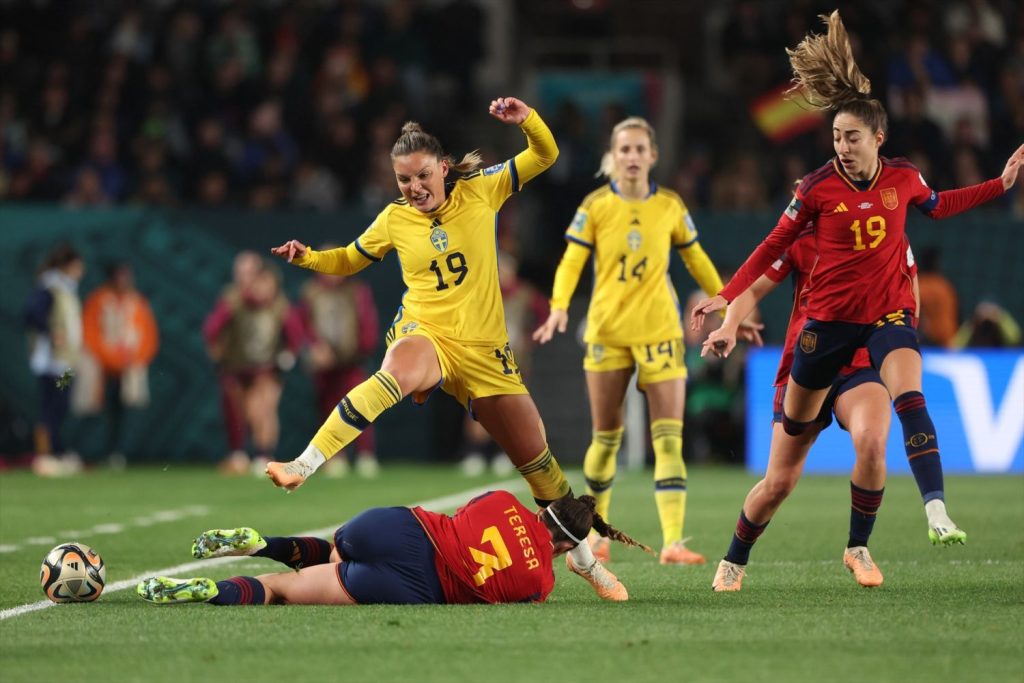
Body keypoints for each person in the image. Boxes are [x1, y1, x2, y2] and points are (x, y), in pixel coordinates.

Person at [267, 97, 625, 601]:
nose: (413, 189)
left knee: (539, 465)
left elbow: (544, 155)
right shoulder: (395, 219)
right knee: (393, 375)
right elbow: (349, 260)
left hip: (485, 354)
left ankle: (585, 562)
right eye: (403, 182)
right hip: (426, 332)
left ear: (441, 166)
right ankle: (302, 464)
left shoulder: (483, 188)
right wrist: (308, 259)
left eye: (420, 177)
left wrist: (528, 122)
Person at [691, 11, 1022, 556]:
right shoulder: (815, 197)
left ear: (877, 138)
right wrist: (728, 307)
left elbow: (939, 207)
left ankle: (905, 523)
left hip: (877, 337)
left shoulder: (902, 184)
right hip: (820, 339)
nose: (841, 146)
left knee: (884, 428)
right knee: (780, 481)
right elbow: (770, 253)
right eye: (837, 137)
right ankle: (734, 557)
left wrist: (999, 185)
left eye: (851, 137)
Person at [532, 116, 763, 566]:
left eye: (640, 149)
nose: (633, 157)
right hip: (609, 333)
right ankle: (596, 536)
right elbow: (572, 259)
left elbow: (696, 259)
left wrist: (730, 307)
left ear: (653, 156)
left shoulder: (671, 206)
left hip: (659, 331)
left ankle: (673, 542)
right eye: (625, 149)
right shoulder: (596, 205)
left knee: (669, 439)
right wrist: (559, 305)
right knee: (606, 439)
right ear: (613, 156)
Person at [699, 224, 927, 590]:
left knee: (872, 442)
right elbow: (755, 285)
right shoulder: (803, 241)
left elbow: (910, 288)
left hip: (860, 366)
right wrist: (729, 325)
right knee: (779, 483)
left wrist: (901, 335)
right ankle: (733, 560)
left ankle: (858, 547)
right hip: (806, 369)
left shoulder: (889, 234)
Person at [136, 491, 650, 606]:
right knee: (281, 591)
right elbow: (618, 596)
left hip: (397, 528)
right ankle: (210, 590)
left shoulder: (502, 500)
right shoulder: (541, 583)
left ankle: (262, 543)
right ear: (568, 546)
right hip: (414, 584)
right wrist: (590, 570)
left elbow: (466, 516)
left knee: (338, 550)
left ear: (543, 511)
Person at [203, 256, 304, 475]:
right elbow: (213, 328)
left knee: (263, 410)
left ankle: (264, 455)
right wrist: (217, 350)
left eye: (268, 284)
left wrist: (288, 356)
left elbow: (296, 336)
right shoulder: (234, 301)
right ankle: (244, 453)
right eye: (259, 283)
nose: (263, 289)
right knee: (244, 412)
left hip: (267, 369)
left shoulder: (280, 307)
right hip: (238, 367)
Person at [292, 248, 381, 478]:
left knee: (361, 404)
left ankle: (365, 454)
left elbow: (367, 321)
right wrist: (314, 347)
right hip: (325, 361)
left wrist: (363, 347)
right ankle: (334, 457)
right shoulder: (311, 292)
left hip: (352, 359)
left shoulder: (357, 291)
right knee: (328, 408)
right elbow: (302, 323)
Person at [80, 262, 160, 467]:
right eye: (120, 276)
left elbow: (148, 335)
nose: (124, 281)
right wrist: (108, 357)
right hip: (82, 367)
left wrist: (131, 359)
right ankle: (73, 451)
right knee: (67, 393)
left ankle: (116, 452)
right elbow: (88, 333)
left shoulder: (136, 302)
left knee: (122, 411)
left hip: (125, 370)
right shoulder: (98, 299)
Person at [23, 244, 85, 477]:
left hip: (68, 362)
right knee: (51, 405)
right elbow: (31, 315)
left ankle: (57, 451)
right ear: (66, 266)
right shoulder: (49, 287)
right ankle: (45, 454)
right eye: (77, 267)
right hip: (51, 362)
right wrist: (50, 332)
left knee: (62, 404)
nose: (81, 272)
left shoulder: (67, 289)